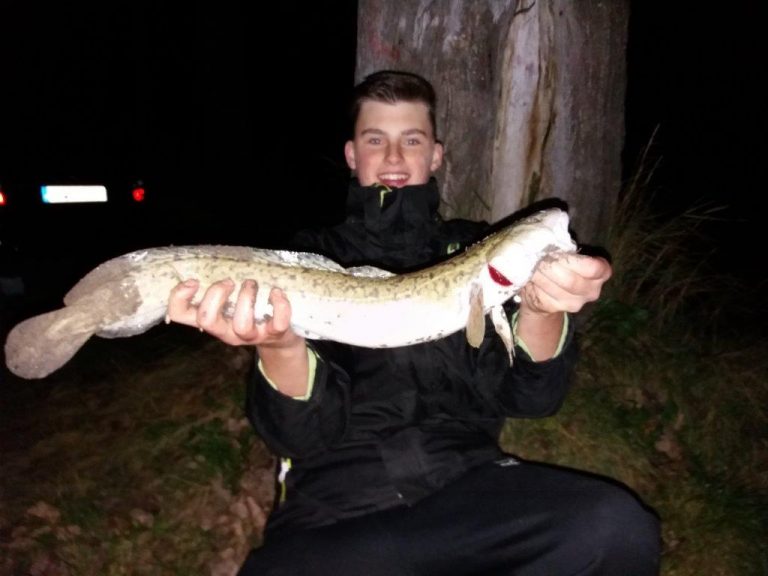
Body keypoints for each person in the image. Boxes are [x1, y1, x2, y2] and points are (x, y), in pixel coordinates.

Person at [168, 70, 661, 575]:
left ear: (436, 155)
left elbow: (533, 398)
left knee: (613, 527)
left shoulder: (476, 248)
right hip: (338, 509)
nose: (394, 157)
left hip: (471, 492)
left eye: (412, 140)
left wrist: (542, 307)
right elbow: (298, 437)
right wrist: (279, 347)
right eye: (375, 140)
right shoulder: (308, 259)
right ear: (351, 155)